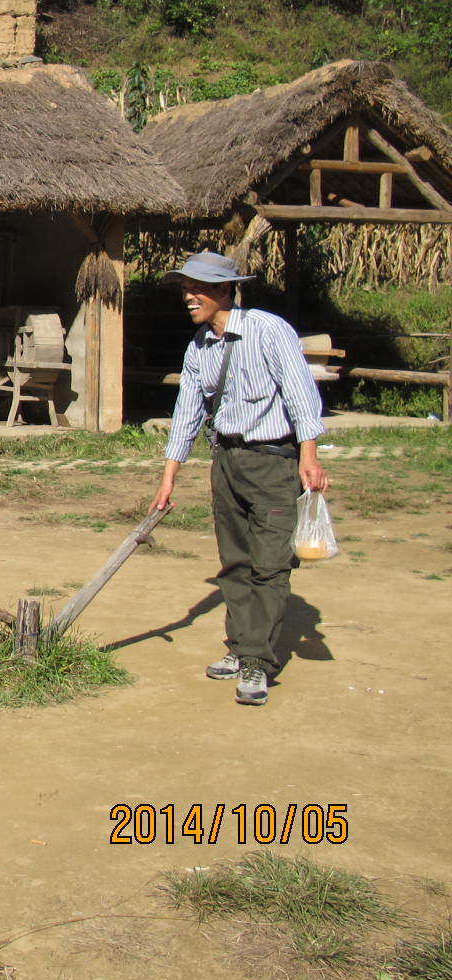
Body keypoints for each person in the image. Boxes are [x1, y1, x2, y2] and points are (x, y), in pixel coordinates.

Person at [148, 251, 329, 707]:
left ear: (226, 291)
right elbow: (187, 413)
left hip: (272, 462)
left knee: (269, 564)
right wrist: (168, 478)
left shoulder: (269, 331)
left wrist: (309, 455)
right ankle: (241, 646)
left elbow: (300, 393)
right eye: (185, 288)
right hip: (226, 462)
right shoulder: (198, 348)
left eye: (199, 287)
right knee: (234, 561)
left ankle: (257, 660)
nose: (189, 296)